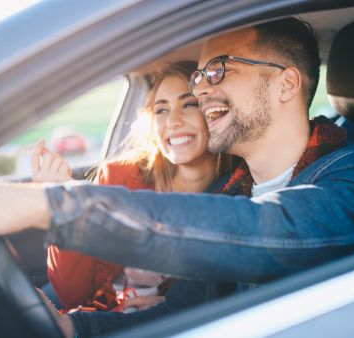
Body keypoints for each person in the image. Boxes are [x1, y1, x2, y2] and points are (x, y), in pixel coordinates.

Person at [0, 18, 354, 337]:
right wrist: (76, 329)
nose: (201, 92)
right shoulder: (235, 190)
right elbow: (183, 311)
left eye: (218, 71)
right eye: (199, 77)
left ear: (287, 82)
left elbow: (266, 232)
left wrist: (50, 204)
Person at [31, 61, 233, 331]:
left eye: (189, 104)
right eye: (161, 110)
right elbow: (73, 293)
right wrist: (67, 209)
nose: (173, 121)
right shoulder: (122, 178)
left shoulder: (237, 190)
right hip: (98, 317)